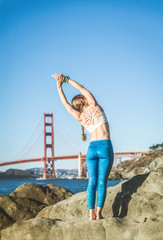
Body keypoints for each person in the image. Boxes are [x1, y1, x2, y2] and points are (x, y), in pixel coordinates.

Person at [52, 73, 114, 220]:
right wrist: (66, 79)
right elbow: (81, 87)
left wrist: (58, 86)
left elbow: (65, 104)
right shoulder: (94, 106)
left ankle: (90, 214)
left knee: (91, 183)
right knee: (101, 183)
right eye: (83, 96)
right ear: (84, 100)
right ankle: (99, 214)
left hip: (92, 149)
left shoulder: (80, 117)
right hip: (105, 146)